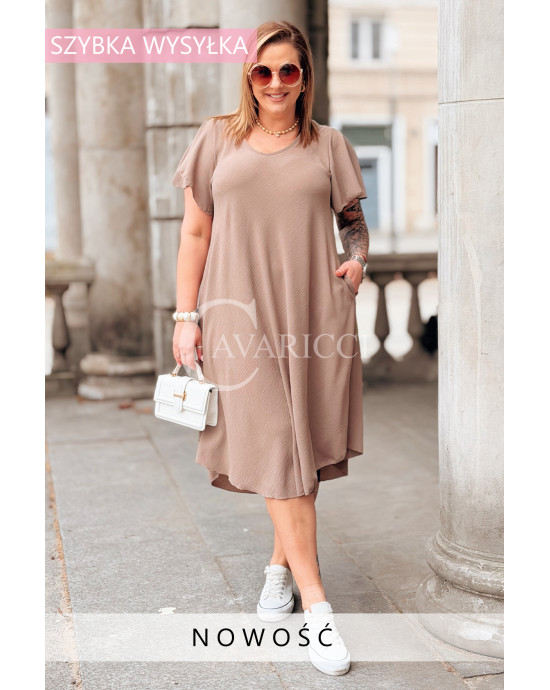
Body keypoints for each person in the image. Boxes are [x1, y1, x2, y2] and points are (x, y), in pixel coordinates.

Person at [171, 20, 369, 676]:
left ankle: (279, 570)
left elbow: (354, 224)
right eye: (264, 71)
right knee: (279, 440)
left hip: (312, 313)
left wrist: (357, 262)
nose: (276, 82)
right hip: (235, 315)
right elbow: (195, 234)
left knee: (296, 446)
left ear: (304, 78)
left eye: (289, 71)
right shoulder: (215, 139)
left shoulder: (329, 145)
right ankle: (318, 611)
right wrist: (185, 316)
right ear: (248, 78)